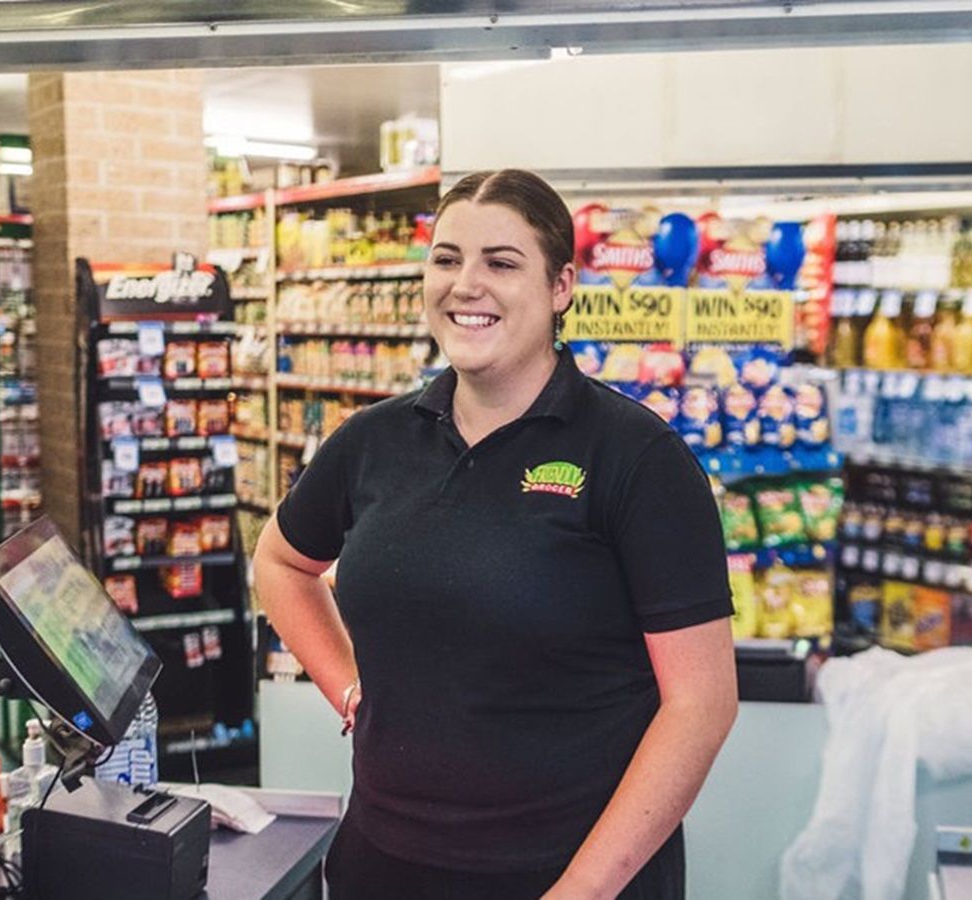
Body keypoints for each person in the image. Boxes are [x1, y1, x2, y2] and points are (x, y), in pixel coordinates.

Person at [253, 169, 738, 900]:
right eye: (446, 259)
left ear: (560, 287)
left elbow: (701, 704)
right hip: (382, 866)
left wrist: (580, 892)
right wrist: (350, 686)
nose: (464, 284)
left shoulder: (637, 458)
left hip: (563, 876)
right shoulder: (373, 442)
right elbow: (281, 562)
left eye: (500, 263)